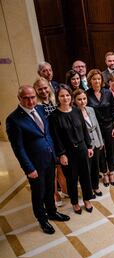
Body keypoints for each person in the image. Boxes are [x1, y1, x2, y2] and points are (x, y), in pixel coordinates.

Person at [6, 85, 70, 234]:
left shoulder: (40, 109)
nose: (30, 101)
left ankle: (52, 212)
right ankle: (42, 220)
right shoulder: (13, 119)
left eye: (33, 97)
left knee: (50, 189)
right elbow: (18, 148)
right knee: (38, 193)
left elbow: (47, 134)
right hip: (35, 164)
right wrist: (29, 168)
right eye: (26, 98)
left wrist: (55, 155)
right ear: (19, 99)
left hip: (49, 158)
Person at [49, 85, 94, 215]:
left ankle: (87, 199)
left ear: (71, 96)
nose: (65, 98)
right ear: (57, 97)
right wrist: (61, 154)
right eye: (62, 96)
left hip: (82, 148)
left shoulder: (76, 111)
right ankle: (74, 202)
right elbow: (56, 138)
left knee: (86, 175)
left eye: (67, 95)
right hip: (67, 152)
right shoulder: (54, 116)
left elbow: (84, 130)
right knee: (72, 178)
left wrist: (89, 146)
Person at [33, 78, 67, 207]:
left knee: (61, 167)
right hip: (48, 141)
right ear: (36, 90)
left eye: (45, 87)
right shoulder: (36, 105)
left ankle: (64, 190)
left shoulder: (54, 100)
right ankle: (54, 194)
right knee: (52, 170)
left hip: (59, 138)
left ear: (49, 87)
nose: (43, 91)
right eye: (40, 89)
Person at [86, 69, 114, 186]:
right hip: (95, 129)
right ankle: (104, 173)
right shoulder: (86, 94)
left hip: (109, 126)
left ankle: (112, 172)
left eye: (99, 79)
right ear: (90, 81)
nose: (97, 81)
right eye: (94, 79)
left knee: (110, 150)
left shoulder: (108, 93)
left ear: (102, 80)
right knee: (100, 151)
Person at [73, 89, 104, 197]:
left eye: (84, 98)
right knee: (86, 169)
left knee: (96, 166)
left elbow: (97, 126)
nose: (82, 101)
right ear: (74, 100)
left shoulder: (90, 109)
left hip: (95, 141)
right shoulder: (74, 113)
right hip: (84, 144)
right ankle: (88, 189)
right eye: (79, 99)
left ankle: (95, 186)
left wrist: (100, 141)